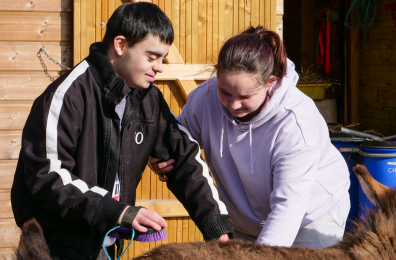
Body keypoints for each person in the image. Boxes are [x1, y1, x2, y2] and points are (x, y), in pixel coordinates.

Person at [10, 3, 232, 260]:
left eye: (163, 58)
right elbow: (46, 175)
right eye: (152, 57)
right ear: (120, 45)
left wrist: (216, 227)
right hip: (56, 248)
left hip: (106, 246)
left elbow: (185, 160)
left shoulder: (149, 100)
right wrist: (116, 213)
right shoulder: (67, 95)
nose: (160, 67)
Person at [149, 26, 351, 249]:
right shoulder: (205, 98)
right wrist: (161, 155)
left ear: (270, 83)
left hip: (309, 218)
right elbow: (177, 142)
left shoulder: (296, 123)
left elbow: (288, 208)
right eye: (225, 91)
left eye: (245, 96)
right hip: (244, 220)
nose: (233, 104)